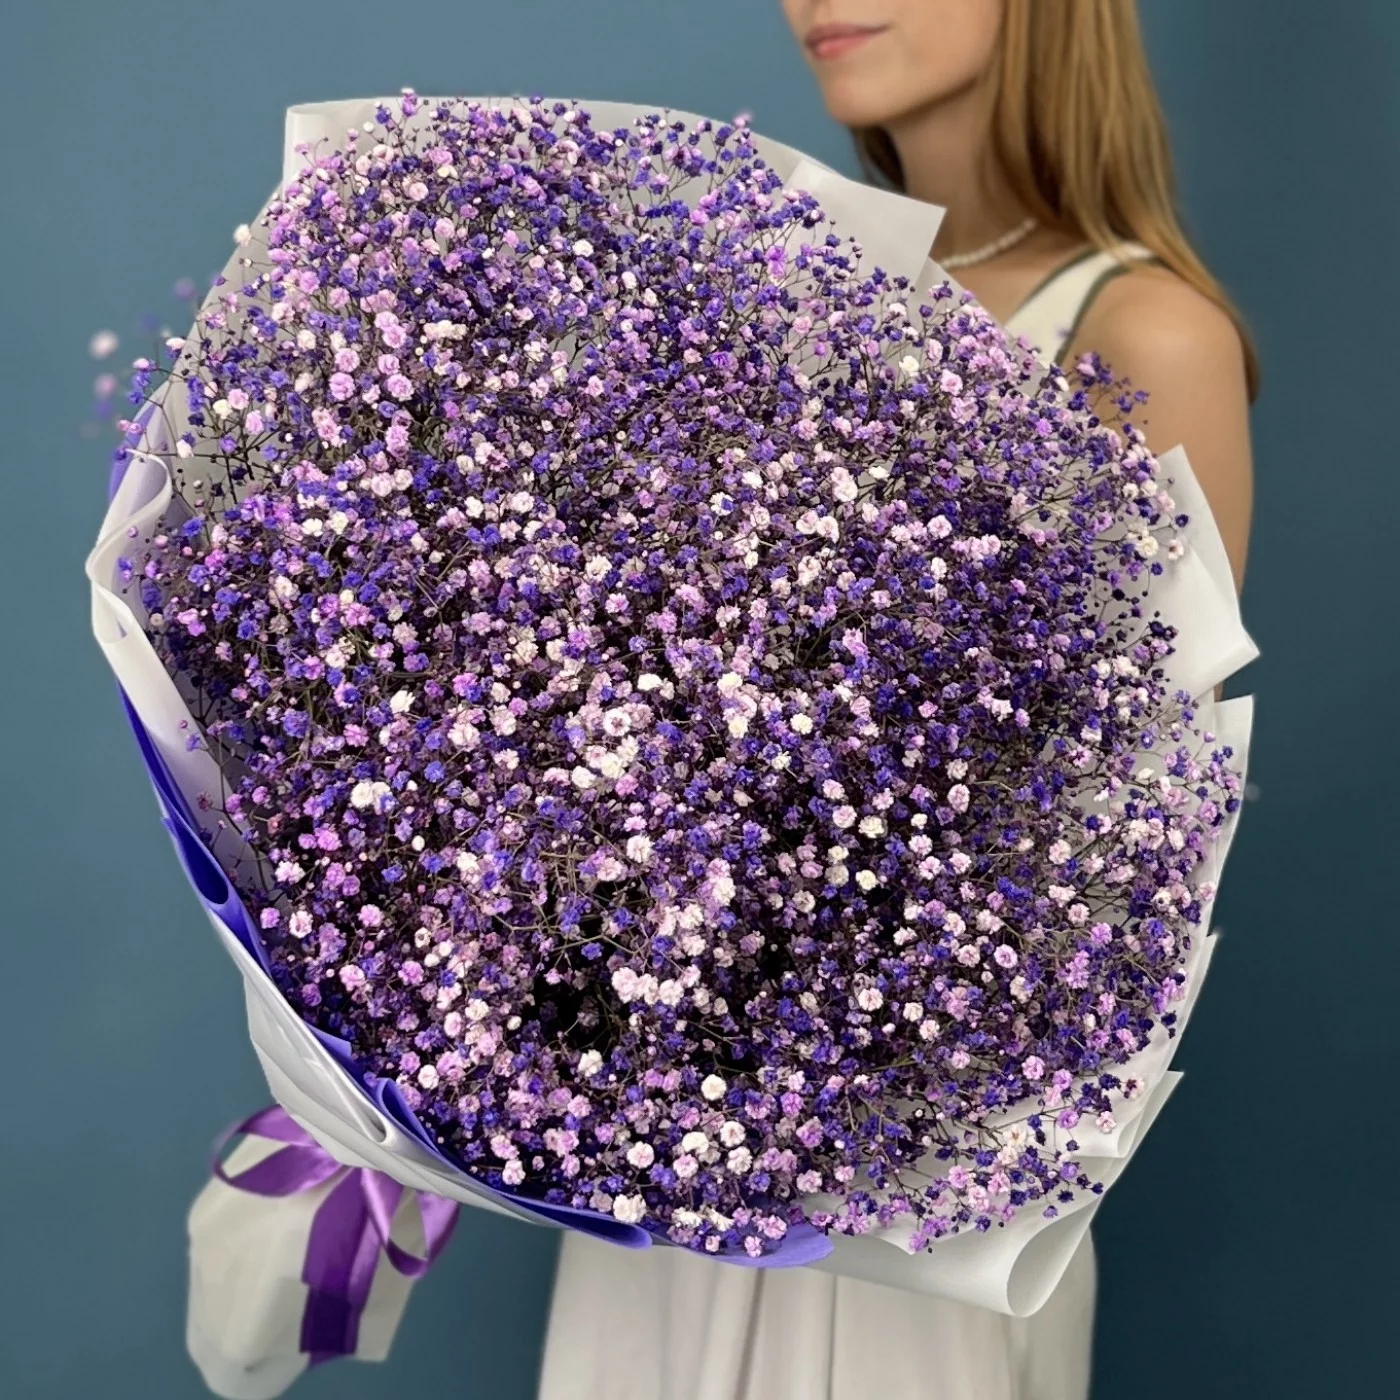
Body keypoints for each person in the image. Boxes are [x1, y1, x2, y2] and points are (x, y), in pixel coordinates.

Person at [536, 4, 1255, 1397]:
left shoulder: (1143, 334)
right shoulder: (778, 293)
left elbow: (1119, 861)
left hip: (909, 1208)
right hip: (660, 1168)